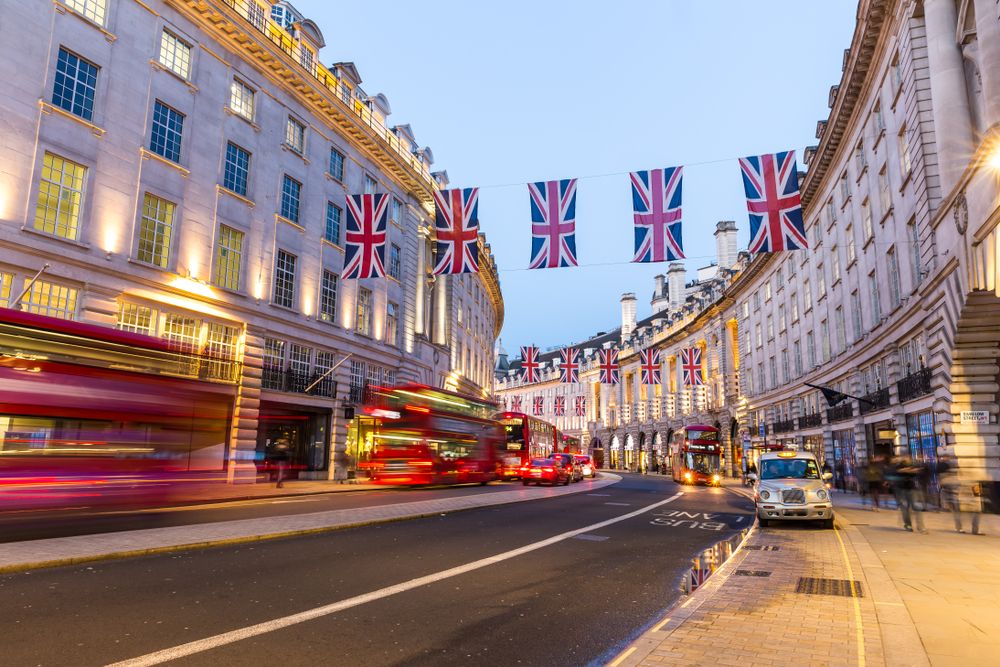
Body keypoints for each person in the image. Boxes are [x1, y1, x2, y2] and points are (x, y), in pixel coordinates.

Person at [890, 457, 926, 533]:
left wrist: (906, 470)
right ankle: (909, 525)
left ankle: (920, 527)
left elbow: (918, 471)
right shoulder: (897, 466)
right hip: (901, 490)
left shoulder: (912, 465)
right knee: (905, 508)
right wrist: (908, 470)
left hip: (912, 489)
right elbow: (896, 472)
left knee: (916, 508)